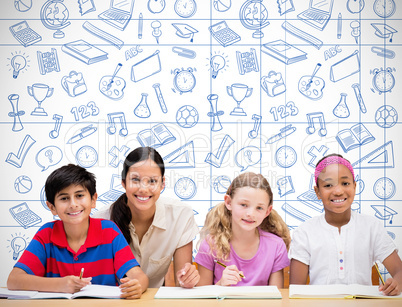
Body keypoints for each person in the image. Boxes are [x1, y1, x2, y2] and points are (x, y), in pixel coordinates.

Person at [7, 164, 148, 299]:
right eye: (64, 198)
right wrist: (60, 284)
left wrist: (137, 286)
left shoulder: (109, 231)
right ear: (52, 207)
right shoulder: (46, 234)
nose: (73, 204)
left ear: (93, 199)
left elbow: (138, 275)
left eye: (79, 195)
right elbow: (14, 280)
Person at [289, 154, 402, 296]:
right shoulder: (304, 232)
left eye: (345, 183)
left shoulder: (371, 227)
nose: (338, 191)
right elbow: (295, 292)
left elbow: (399, 272)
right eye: (328, 185)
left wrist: (397, 283)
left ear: (354, 187)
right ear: (317, 192)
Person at [94, 147, 199, 288]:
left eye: (152, 181)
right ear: (124, 183)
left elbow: (181, 283)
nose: (143, 188)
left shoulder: (180, 216)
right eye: (135, 180)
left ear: (162, 184)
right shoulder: (102, 221)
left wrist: (188, 278)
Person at [195, 172, 290, 287]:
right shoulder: (210, 244)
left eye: (259, 208)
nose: (250, 214)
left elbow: (277, 297)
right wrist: (220, 285)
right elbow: (202, 299)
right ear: (229, 202)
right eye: (244, 205)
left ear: (267, 211)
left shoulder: (276, 246)